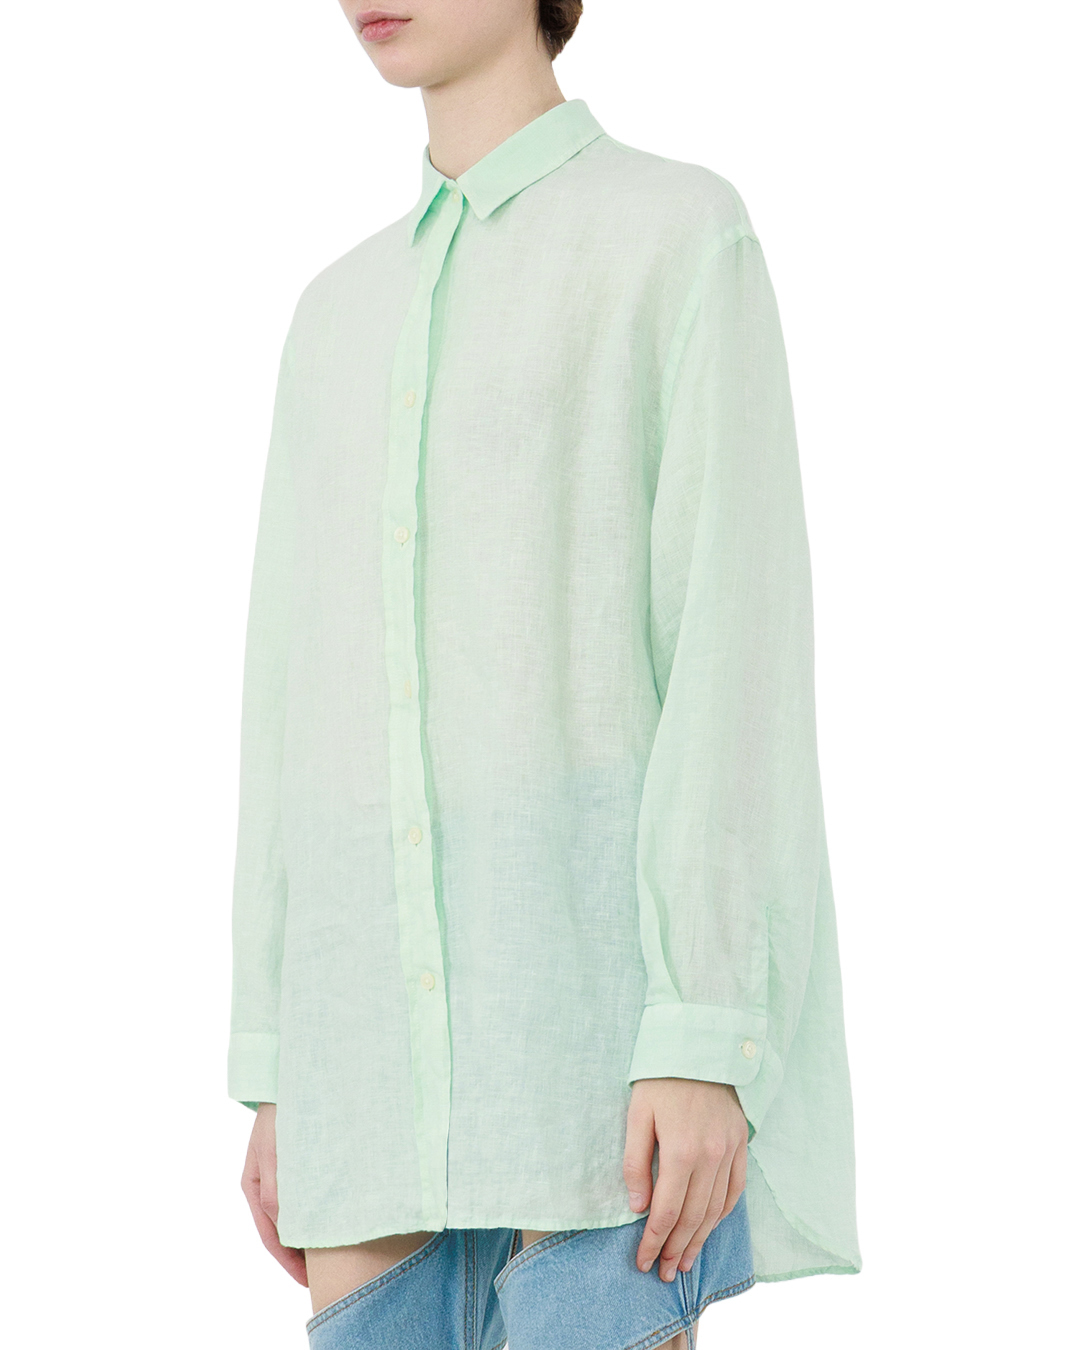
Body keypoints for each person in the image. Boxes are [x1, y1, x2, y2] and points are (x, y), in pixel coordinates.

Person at [229, 3, 861, 1347]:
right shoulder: (333, 316)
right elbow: (290, 705)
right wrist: (279, 1060)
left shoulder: (675, 236)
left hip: (593, 1060)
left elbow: (733, 652)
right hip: (363, 1076)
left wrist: (704, 1030)